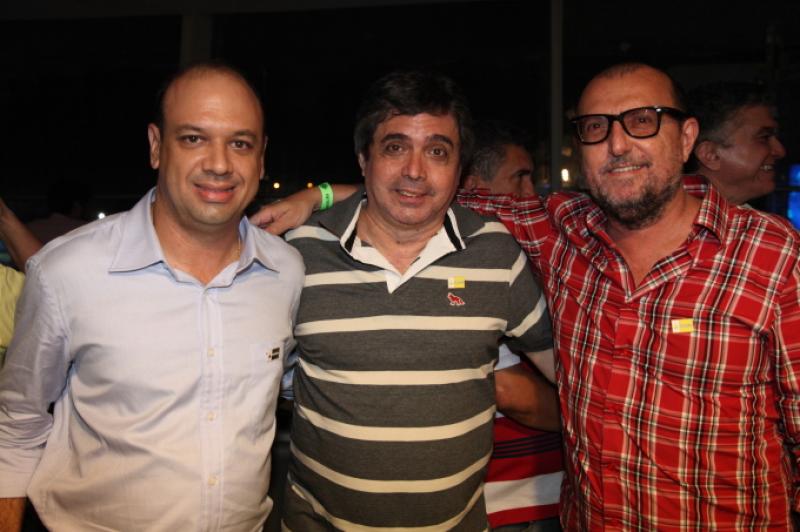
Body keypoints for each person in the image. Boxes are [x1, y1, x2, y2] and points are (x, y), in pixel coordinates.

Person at [256, 63, 800, 529]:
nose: (617, 144)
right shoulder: (560, 231)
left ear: (686, 139)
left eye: (642, 121)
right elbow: (417, 194)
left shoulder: (774, 256)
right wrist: (320, 196)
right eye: (596, 127)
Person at [0, 62, 304, 531]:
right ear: (156, 146)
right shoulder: (68, 271)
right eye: (194, 138)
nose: (220, 164)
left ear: (261, 158)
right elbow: (17, 424)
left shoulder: (286, 272)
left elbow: (298, 386)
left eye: (240, 143)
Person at [272, 70, 557, 531]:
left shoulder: (496, 253)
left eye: (437, 151)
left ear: (460, 169)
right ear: (363, 158)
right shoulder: (299, 252)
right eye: (395, 147)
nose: (415, 171)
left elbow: (573, 379)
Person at [463, 120, 563, 531]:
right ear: (474, 187)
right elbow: (510, 392)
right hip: (514, 499)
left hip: (550, 492)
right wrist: (606, 422)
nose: (530, 193)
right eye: (520, 177)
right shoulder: (474, 269)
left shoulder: (523, 256)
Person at [685, 81, 786, 205]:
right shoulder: (668, 213)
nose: (780, 151)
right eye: (764, 137)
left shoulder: (754, 218)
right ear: (711, 155)